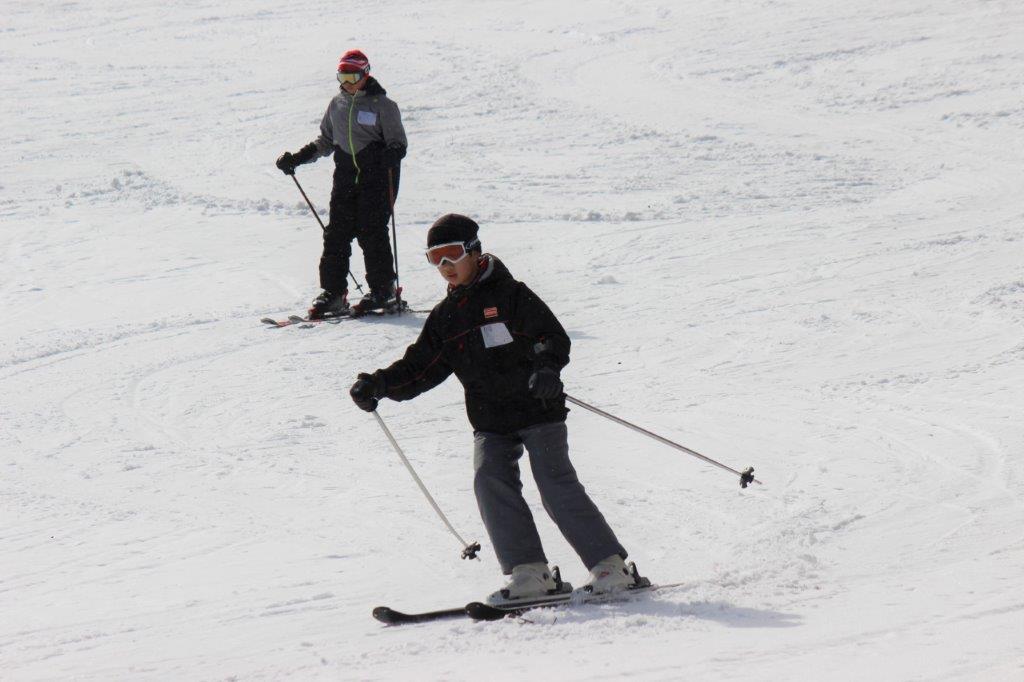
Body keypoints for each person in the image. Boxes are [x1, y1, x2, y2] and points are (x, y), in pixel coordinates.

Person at [349, 213, 638, 605]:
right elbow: (421, 367)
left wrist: (547, 368)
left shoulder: (512, 295)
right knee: (489, 480)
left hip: (537, 409)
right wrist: (379, 384)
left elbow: (551, 337)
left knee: (554, 484)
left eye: (451, 254)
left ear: (475, 251)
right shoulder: (446, 318)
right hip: (491, 420)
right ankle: (530, 572)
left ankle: (610, 566)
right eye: (435, 259)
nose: (445, 267)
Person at [276, 49, 407, 318]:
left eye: (352, 76)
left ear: (365, 73)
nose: (346, 82)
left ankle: (384, 289)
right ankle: (334, 293)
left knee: (371, 231)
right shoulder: (337, 104)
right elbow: (325, 141)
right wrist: (298, 158)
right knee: (336, 234)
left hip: (377, 178)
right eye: (342, 75)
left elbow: (398, 143)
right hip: (345, 176)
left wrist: (390, 154)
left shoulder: (383, 105)